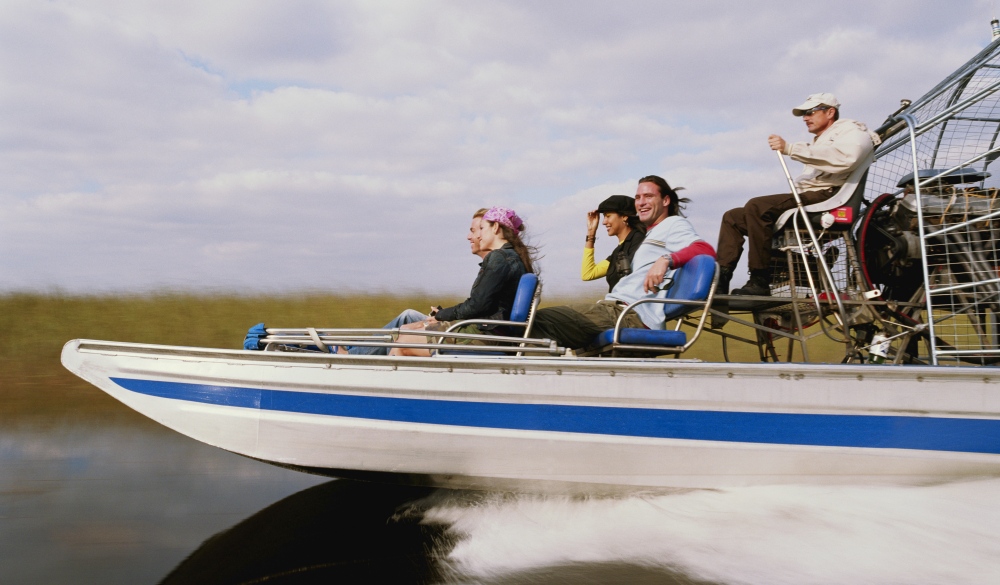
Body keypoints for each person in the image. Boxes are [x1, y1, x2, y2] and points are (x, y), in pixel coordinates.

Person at [716, 93, 881, 296]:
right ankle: (720, 281)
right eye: (804, 113)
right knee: (733, 217)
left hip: (827, 196)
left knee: (757, 206)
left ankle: (759, 280)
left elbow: (848, 157)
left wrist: (790, 148)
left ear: (830, 112)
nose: (805, 117)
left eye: (810, 112)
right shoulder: (821, 139)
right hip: (812, 194)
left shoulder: (851, 130)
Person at [530, 176, 715, 351]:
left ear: (665, 201)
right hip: (615, 308)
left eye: (648, 196)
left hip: (628, 313)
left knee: (535, 323)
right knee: (534, 323)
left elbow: (705, 250)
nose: (641, 202)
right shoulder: (650, 235)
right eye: (638, 197)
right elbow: (588, 274)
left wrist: (667, 260)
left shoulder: (673, 224)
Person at [389, 206, 536, 357]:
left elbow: (477, 305)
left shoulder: (499, 257)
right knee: (406, 329)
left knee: (402, 342)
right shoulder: (514, 258)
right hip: (492, 332)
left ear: (496, 228)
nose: (478, 236)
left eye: (482, 228)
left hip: (484, 334)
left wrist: (442, 315)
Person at [341, 208, 490, 355]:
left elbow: (476, 309)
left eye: (475, 230)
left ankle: (353, 355)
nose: (469, 236)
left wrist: (443, 317)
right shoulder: (490, 266)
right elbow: (476, 307)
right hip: (462, 324)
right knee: (408, 315)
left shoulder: (496, 266)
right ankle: (355, 352)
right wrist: (441, 315)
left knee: (404, 328)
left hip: (467, 329)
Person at [582, 195, 646, 291]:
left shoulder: (639, 241)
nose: (603, 222)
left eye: (608, 216)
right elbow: (588, 274)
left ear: (624, 217)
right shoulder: (619, 251)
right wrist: (591, 232)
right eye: (604, 217)